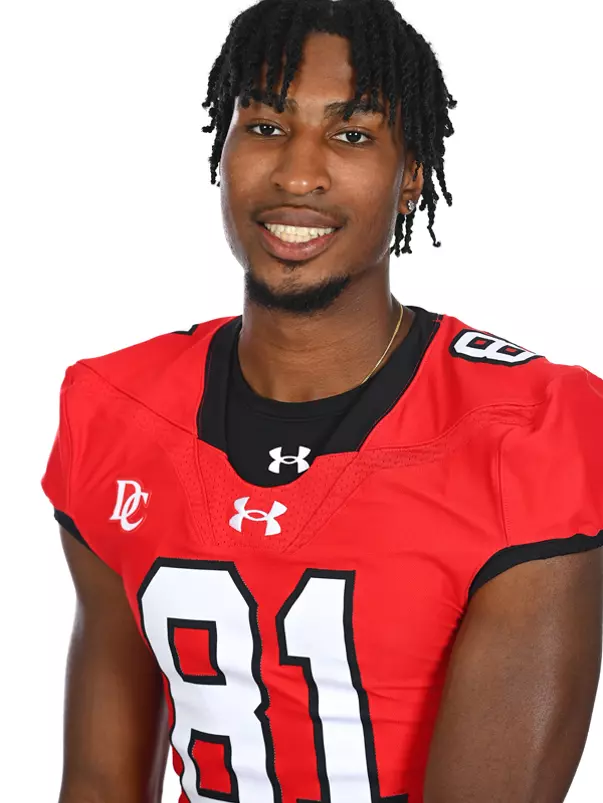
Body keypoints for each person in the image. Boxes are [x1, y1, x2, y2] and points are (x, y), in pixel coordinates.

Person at [41, 0, 603, 801]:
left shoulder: (528, 428)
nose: (297, 174)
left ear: (411, 173)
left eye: (351, 135)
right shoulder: (115, 406)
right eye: (266, 126)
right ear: (222, 147)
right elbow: (99, 782)